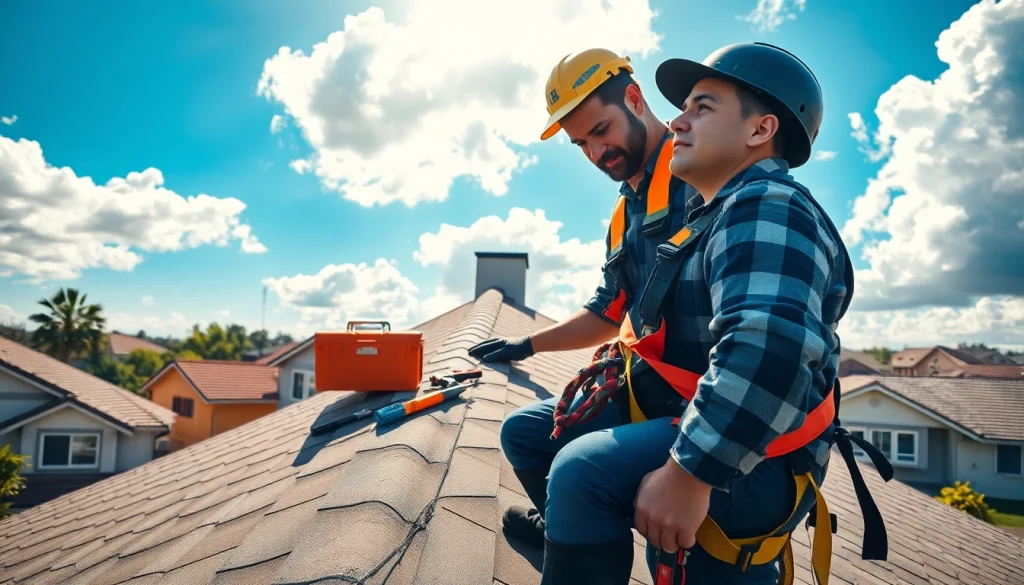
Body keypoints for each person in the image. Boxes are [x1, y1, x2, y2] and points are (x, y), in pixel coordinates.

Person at [471, 43, 891, 585]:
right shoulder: (651, 206)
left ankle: (590, 521)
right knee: (529, 434)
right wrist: (526, 346)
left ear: (632, 98)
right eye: (581, 145)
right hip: (674, 394)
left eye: (600, 131)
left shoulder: (749, 197)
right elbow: (611, 310)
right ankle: (576, 534)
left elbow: (768, 351)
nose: (596, 152)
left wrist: (689, 471)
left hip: (745, 426)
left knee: (582, 474)